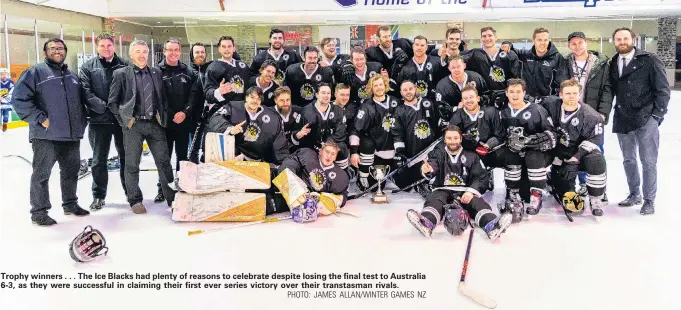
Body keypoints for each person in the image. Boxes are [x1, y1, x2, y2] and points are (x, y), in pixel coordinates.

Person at [13, 38, 90, 225]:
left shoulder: (72, 76)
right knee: (41, 175)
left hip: (70, 135)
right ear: (45, 52)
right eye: (53, 48)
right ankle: (39, 212)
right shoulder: (35, 72)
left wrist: (81, 121)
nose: (57, 51)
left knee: (71, 172)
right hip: (46, 136)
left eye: (60, 48)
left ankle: (70, 204)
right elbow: (19, 100)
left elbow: (80, 102)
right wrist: (40, 119)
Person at [406, 125, 512, 240]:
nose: (452, 141)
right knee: (435, 200)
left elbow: (480, 177)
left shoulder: (472, 155)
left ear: (461, 139)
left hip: (465, 190)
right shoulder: (438, 153)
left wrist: (471, 192)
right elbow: (433, 164)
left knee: (477, 204)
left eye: (455, 138)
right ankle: (427, 224)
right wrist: (427, 169)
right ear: (444, 139)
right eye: (449, 138)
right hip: (443, 188)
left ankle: (492, 226)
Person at [108, 40, 175, 214]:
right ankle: (135, 200)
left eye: (145, 51)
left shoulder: (156, 72)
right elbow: (112, 102)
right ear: (131, 54)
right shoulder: (121, 74)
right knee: (132, 164)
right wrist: (124, 121)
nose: (142, 54)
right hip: (134, 125)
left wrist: (163, 118)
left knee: (164, 163)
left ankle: (172, 199)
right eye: (138, 51)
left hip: (154, 124)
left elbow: (164, 99)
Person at [609, 27, 670, 215]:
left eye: (625, 38)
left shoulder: (649, 60)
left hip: (646, 117)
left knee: (648, 161)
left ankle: (649, 200)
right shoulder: (613, 62)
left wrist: (657, 116)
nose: (622, 42)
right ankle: (634, 194)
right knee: (629, 159)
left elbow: (663, 89)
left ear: (633, 40)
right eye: (618, 39)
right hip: (623, 118)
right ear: (614, 42)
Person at [79, 34, 130, 211]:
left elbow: (131, 91)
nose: (106, 49)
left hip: (121, 121)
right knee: (99, 160)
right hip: (98, 120)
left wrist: (120, 110)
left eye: (109, 45)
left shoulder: (125, 65)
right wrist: (107, 107)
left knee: (126, 158)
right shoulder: (87, 67)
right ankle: (98, 196)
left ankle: (130, 194)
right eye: (102, 46)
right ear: (97, 47)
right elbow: (86, 92)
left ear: (114, 46)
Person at [542, 80, 607, 217]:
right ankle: (552, 179)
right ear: (560, 94)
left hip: (581, 156)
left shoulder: (591, 116)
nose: (571, 96)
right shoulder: (550, 105)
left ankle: (596, 199)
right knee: (565, 191)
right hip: (560, 157)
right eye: (567, 93)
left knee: (597, 160)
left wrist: (575, 159)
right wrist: (557, 160)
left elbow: (594, 142)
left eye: (574, 93)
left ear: (579, 94)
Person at [564, 31, 613, 201]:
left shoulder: (600, 63)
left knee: (595, 151)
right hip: (572, 114)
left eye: (580, 43)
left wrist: (603, 113)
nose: (577, 46)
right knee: (576, 148)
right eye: (573, 44)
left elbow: (607, 88)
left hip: (593, 114)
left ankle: (599, 187)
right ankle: (583, 184)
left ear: (586, 43)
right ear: (569, 46)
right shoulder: (566, 62)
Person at [499, 79, 556, 222]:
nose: (515, 95)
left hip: (535, 155)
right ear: (506, 93)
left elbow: (552, 135)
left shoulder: (537, 110)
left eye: (518, 91)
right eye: (511, 91)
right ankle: (513, 191)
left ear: (524, 93)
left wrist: (531, 141)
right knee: (510, 155)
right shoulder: (502, 111)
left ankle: (536, 196)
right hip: (515, 157)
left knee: (533, 156)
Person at [155, 38, 199, 202]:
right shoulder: (156, 71)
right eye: (169, 50)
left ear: (180, 52)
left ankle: (182, 186)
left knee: (182, 156)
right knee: (164, 158)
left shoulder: (189, 72)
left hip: (183, 123)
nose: (173, 53)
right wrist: (171, 113)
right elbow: (158, 97)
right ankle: (163, 189)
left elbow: (193, 96)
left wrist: (184, 113)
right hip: (164, 123)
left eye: (176, 50)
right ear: (164, 51)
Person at [204, 86, 290, 164]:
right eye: (252, 97)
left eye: (258, 99)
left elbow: (280, 145)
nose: (255, 101)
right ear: (246, 97)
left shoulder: (273, 118)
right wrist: (229, 129)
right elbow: (215, 118)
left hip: (254, 162)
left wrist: (283, 165)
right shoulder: (233, 107)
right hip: (230, 157)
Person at [448, 84, 507, 188]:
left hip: (489, 151)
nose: (469, 100)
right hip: (469, 152)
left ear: (478, 98)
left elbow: (500, 134)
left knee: (512, 157)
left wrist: (489, 144)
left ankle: (512, 188)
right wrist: (467, 142)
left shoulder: (491, 111)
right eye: (465, 98)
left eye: (471, 97)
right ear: (462, 101)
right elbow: (451, 136)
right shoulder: (458, 115)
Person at [349, 74, 400, 191]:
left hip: (395, 152)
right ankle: (362, 174)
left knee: (402, 181)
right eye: (375, 85)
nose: (378, 88)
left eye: (381, 84)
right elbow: (356, 129)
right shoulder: (367, 107)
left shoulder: (396, 102)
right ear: (371, 88)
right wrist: (354, 152)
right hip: (377, 152)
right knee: (374, 187)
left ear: (385, 85)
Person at [269, 142, 349, 215]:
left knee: (266, 204)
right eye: (327, 152)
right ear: (320, 152)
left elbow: (343, 195)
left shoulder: (340, 175)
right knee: (262, 179)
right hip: (279, 184)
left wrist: (333, 201)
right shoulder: (307, 155)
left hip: (292, 202)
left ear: (335, 157)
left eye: (333, 154)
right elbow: (289, 164)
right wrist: (293, 184)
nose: (329, 156)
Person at [391, 80, 439, 195]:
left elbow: (437, 124)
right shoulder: (399, 111)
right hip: (412, 153)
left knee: (434, 165)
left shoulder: (428, 103)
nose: (408, 92)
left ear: (416, 89)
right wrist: (400, 152)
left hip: (430, 149)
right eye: (405, 90)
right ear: (401, 93)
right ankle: (419, 180)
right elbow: (397, 133)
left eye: (410, 89)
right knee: (403, 183)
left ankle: (428, 182)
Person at [292, 83, 348, 170]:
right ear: (317, 95)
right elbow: (296, 133)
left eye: (328, 93)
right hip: (312, 148)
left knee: (343, 148)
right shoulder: (306, 112)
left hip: (330, 145)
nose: (326, 95)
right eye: (323, 93)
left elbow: (341, 132)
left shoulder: (338, 111)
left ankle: (342, 173)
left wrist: (327, 144)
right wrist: (298, 135)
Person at [461, 27, 521, 92]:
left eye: (490, 35)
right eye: (484, 36)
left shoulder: (509, 54)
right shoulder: (474, 54)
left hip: (505, 96)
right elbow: (457, 61)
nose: (487, 38)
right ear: (481, 39)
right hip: (483, 96)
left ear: (495, 37)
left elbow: (515, 78)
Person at [516, 27, 569, 99]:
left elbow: (563, 83)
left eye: (545, 40)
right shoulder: (525, 55)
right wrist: (507, 44)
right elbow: (511, 50)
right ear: (533, 41)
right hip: (529, 101)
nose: (542, 43)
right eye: (539, 40)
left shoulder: (557, 58)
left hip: (549, 102)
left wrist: (554, 100)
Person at [394, 35, 448, 101]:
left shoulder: (437, 62)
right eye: (417, 45)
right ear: (413, 46)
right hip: (414, 104)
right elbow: (399, 86)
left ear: (426, 47)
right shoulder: (405, 66)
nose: (419, 48)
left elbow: (445, 79)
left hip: (433, 103)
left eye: (422, 45)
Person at [434, 55, 488, 120]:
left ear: (464, 66)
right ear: (449, 68)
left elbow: (487, 96)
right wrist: (456, 108)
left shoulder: (476, 78)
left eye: (459, 66)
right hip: (454, 119)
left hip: (477, 116)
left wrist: (473, 102)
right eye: (453, 67)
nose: (456, 70)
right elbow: (441, 108)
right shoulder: (442, 86)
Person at [204, 36, 250, 105]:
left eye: (229, 46)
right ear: (219, 49)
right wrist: (219, 91)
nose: (227, 49)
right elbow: (207, 92)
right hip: (223, 109)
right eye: (224, 47)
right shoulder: (213, 67)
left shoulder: (243, 66)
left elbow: (250, 87)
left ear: (234, 48)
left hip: (242, 109)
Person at [269, 86, 302, 154]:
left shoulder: (298, 111)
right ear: (275, 100)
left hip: (294, 151)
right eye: (282, 100)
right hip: (273, 152)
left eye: (288, 100)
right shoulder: (268, 113)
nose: (285, 103)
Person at [1, 68, 15, 132]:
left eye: (5, 74)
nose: (4, 75)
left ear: (7, 75)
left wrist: (8, 96)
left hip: (6, 103)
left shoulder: (10, 82)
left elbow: (12, 91)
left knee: (6, 116)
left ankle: (4, 125)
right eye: (2, 74)